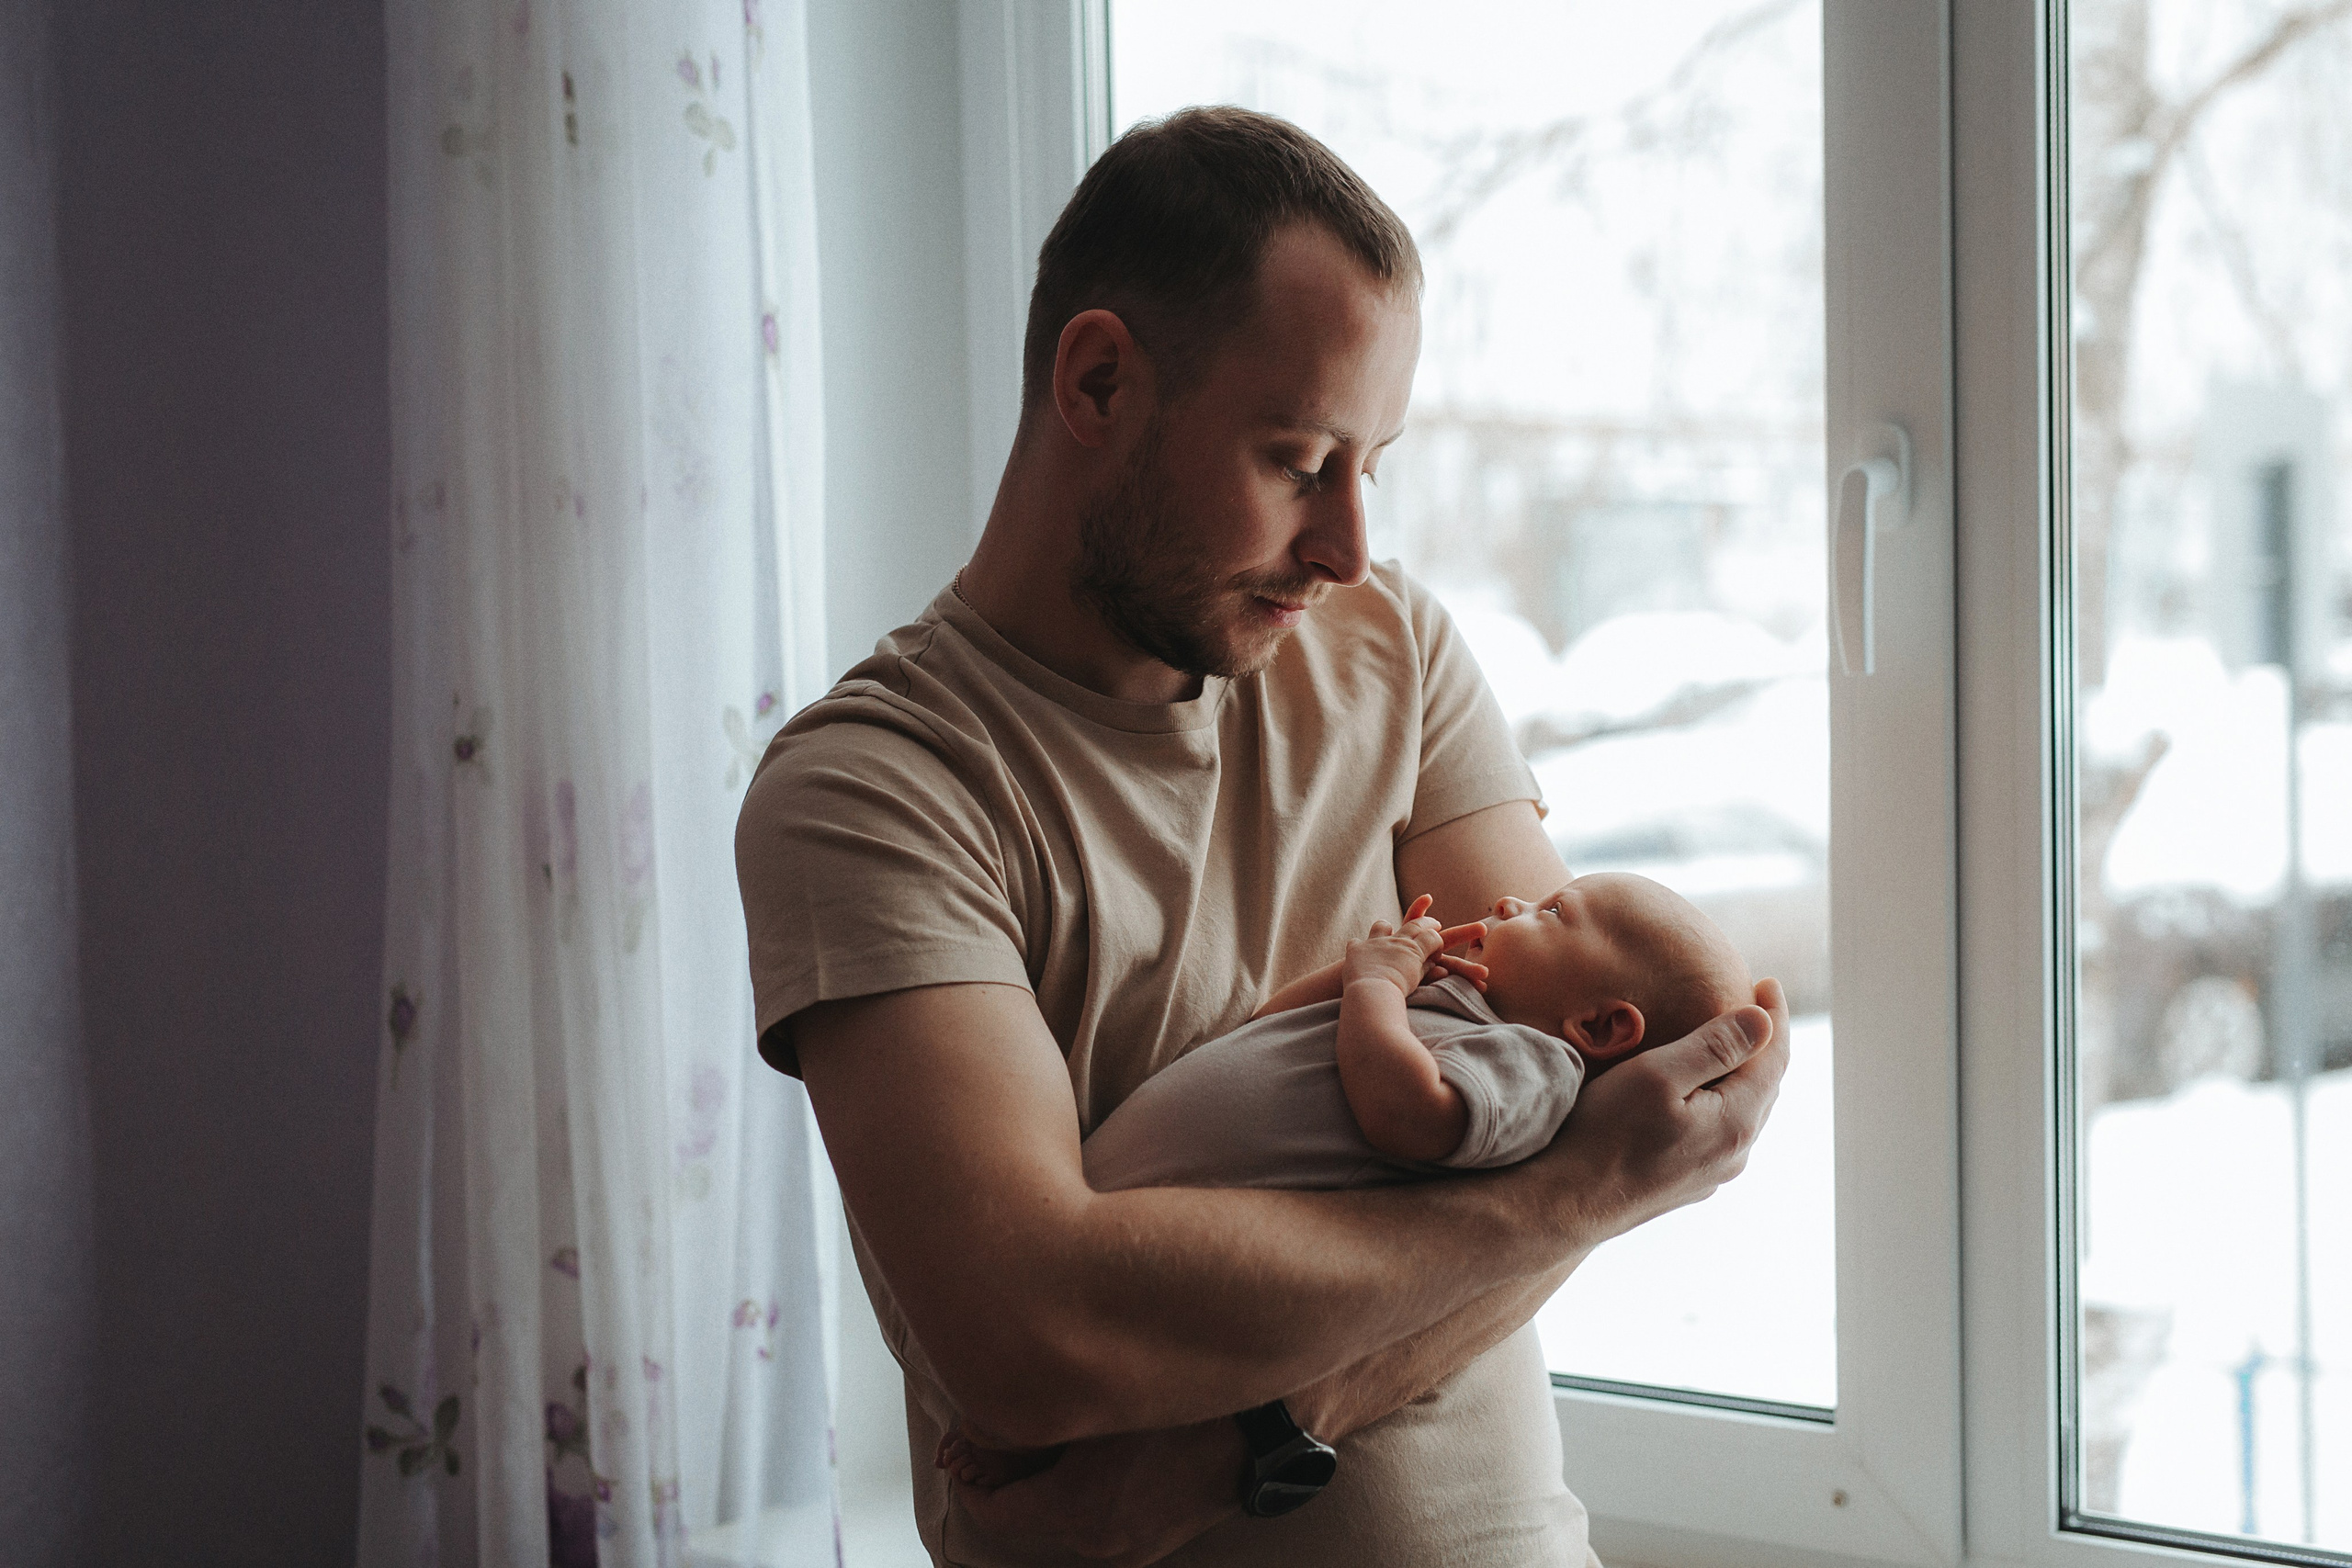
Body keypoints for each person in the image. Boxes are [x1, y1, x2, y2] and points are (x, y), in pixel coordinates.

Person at [734, 105, 1789, 1568]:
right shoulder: (875, 791)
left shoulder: (1393, 652)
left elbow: (1600, 1098)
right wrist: (1584, 1188)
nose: (1351, 543)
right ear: (1097, 380)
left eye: (1376, 464)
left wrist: (1240, 1446)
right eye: (1299, 460)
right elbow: (1037, 1330)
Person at [935, 875, 1754, 1493]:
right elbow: (1275, 1026)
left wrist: (1376, 990)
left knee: (1145, 1347)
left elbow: (1410, 1113)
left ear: (1601, 1026)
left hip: (1225, 1219)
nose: (1509, 902)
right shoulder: (1455, 1004)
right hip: (1126, 1192)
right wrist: (1357, 973)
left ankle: (1044, 1450)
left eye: (1550, 915)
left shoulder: (1537, 1068)